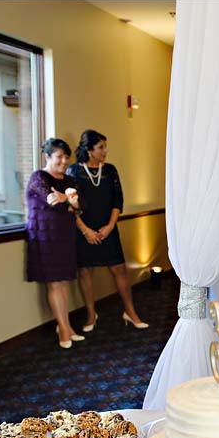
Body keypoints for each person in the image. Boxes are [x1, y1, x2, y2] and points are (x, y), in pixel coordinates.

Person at [67, 129, 148, 332]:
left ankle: (130, 312)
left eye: (105, 146)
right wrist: (86, 231)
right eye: (101, 147)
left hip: (108, 229)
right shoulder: (73, 172)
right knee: (85, 271)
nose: (105, 151)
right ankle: (90, 314)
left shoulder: (110, 170)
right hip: (83, 230)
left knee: (119, 269)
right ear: (89, 149)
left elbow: (117, 201)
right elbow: (70, 205)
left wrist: (110, 226)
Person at [26, 138, 85, 349]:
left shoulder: (69, 180)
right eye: (59, 156)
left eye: (66, 156)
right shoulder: (38, 177)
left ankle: (66, 326)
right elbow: (51, 199)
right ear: (48, 156)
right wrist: (67, 201)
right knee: (55, 283)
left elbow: (80, 206)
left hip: (65, 236)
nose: (64, 161)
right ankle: (63, 329)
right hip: (45, 237)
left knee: (65, 281)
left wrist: (66, 200)